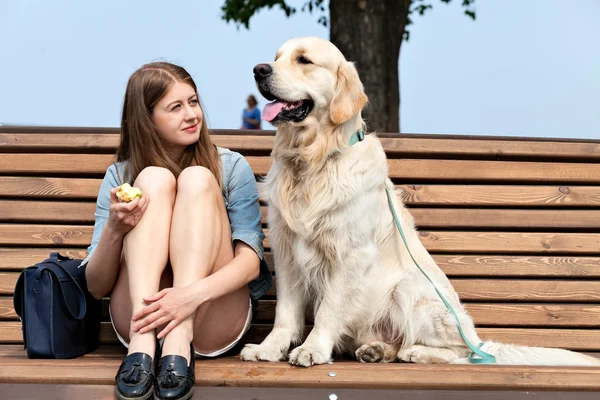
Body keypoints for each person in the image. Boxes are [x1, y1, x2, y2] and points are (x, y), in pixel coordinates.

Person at [81, 62, 271, 400]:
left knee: (196, 178)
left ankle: (179, 339)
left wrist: (188, 297)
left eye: (193, 102)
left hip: (211, 316)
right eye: (176, 107)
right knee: (154, 179)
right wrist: (114, 228)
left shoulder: (229, 167)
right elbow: (96, 286)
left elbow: (250, 264)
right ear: (147, 119)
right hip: (142, 320)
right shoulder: (120, 176)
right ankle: (142, 346)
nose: (192, 115)